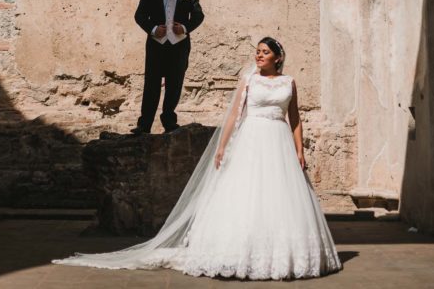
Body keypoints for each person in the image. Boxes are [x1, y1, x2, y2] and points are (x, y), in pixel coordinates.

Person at [53, 38, 341, 280]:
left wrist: (299, 149)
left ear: (278, 58)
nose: (259, 55)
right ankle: (236, 252)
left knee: (280, 196)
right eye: (257, 51)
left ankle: (284, 254)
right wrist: (222, 146)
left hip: (278, 140)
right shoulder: (248, 80)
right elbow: (234, 117)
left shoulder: (288, 83)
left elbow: (295, 118)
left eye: (265, 52)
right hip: (252, 139)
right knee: (245, 193)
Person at [130, 0, 204, 135]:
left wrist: (185, 28)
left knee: (175, 83)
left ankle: (169, 121)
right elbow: (140, 16)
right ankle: (144, 125)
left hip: (179, 45)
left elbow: (198, 16)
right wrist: (154, 29)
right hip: (157, 44)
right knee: (151, 84)